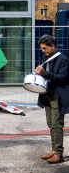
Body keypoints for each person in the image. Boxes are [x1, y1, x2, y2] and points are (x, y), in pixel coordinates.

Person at [35, 34, 69, 164]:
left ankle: (59, 153)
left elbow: (62, 78)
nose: (43, 51)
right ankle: (54, 150)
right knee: (50, 124)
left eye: (45, 48)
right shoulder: (46, 57)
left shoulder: (63, 59)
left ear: (53, 46)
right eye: (42, 48)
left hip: (57, 96)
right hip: (46, 95)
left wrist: (44, 73)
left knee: (57, 125)